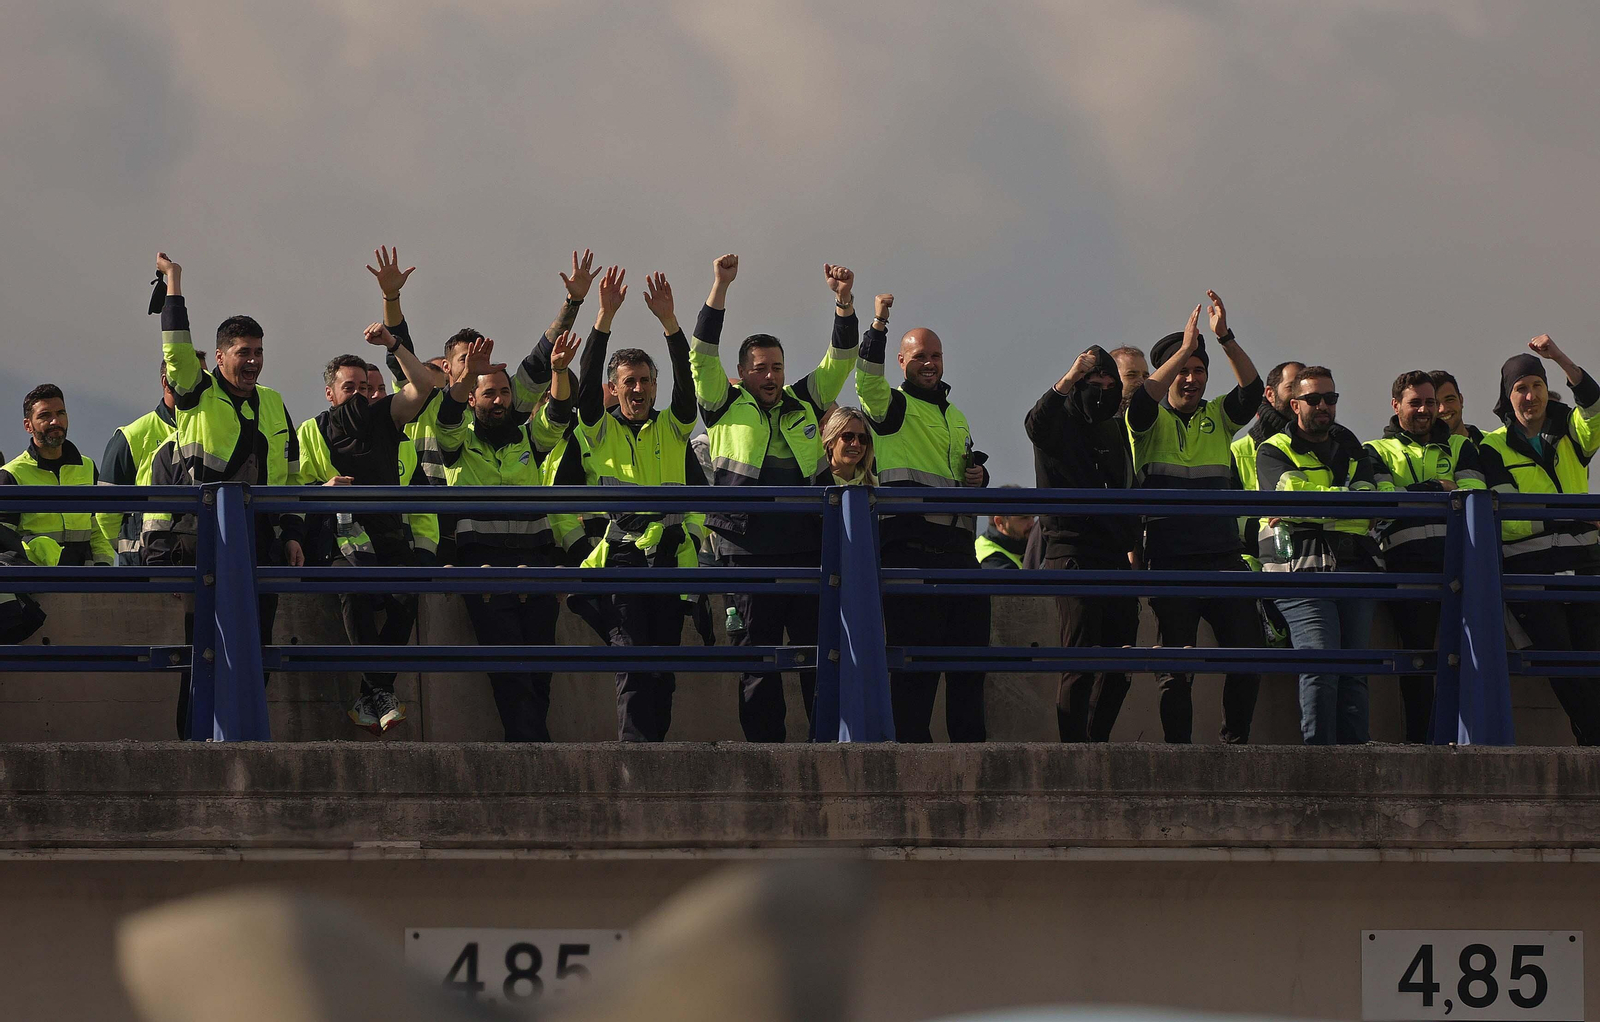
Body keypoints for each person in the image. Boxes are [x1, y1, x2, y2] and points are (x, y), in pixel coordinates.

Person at [687, 254, 860, 742]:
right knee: (758, 662)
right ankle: (767, 756)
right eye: (761, 368)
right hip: (746, 555)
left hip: (807, 552)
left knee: (814, 659)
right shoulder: (722, 405)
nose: (771, 376)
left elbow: (839, 361)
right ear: (742, 372)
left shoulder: (805, 401)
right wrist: (719, 285)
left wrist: (843, 302)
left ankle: (824, 747)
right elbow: (701, 354)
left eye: (777, 367)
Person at [143, 253, 305, 739]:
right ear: (219, 356)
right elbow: (175, 349)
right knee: (205, 654)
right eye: (242, 351)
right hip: (206, 542)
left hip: (260, 541)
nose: (253, 360)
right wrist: (174, 284)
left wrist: (293, 533)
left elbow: (290, 478)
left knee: (257, 647)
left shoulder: (275, 403)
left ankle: (247, 743)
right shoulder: (196, 392)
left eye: (258, 351)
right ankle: (193, 746)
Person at [417, 326, 579, 743]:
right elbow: (447, 418)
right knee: (508, 666)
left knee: (540, 666)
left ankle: (530, 748)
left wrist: (559, 370)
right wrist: (466, 375)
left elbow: (558, 415)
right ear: (473, 398)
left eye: (504, 393)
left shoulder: (528, 438)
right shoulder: (456, 440)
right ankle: (532, 750)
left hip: (537, 563)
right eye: (489, 394)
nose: (499, 401)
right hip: (484, 566)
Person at [569, 266, 699, 743]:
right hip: (620, 562)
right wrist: (603, 315)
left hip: (668, 562)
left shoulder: (674, 426)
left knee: (662, 670)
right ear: (615, 388)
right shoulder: (597, 427)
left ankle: (655, 759)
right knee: (632, 664)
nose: (638, 390)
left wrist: (670, 324)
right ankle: (634, 761)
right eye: (629, 382)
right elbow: (584, 383)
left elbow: (689, 383)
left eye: (645, 381)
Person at [1128, 293, 1264, 744]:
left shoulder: (1218, 417)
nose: (1191, 379)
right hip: (1169, 560)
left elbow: (1251, 390)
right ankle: (1178, 755)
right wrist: (1183, 349)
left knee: (1249, 654)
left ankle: (1234, 744)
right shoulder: (1146, 422)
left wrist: (1223, 338)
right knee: (1176, 667)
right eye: (1183, 370)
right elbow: (1143, 401)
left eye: (1198, 370)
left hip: (1223, 557)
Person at [856, 293, 991, 743]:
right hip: (912, 556)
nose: (929, 364)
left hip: (959, 556)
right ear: (901, 361)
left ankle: (970, 755)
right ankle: (911, 761)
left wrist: (980, 475)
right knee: (914, 672)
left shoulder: (957, 414)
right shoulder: (890, 407)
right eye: (919, 357)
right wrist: (879, 322)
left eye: (935, 356)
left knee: (970, 666)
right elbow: (866, 378)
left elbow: (956, 478)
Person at [297, 324, 443, 734]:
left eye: (364, 386)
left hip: (388, 533)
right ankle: (380, 690)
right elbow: (291, 486)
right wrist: (322, 489)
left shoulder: (384, 417)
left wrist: (393, 345)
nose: (358, 394)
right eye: (349, 387)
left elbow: (423, 385)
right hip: (338, 539)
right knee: (354, 591)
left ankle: (373, 690)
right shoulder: (311, 430)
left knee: (405, 594)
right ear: (330, 393)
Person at [1477, 335, 1600, 744]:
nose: (1530, 396)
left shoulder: (1572, 432)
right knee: (1559, 663)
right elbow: (1513, 521)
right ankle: (1593, 738)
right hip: (1531, 571)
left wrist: (1560, 357)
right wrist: (1577, 516)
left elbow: (1595, 406)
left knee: (1591, 660)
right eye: (1520, 388)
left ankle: (1591, 740)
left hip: (1584, 565)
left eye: (1537, 386)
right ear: (1507, 396)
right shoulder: (1490, 447)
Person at [1257, 366, 1385, 745]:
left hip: (1355, 568)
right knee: (1320, 667)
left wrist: (1317, 505)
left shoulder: (1352, 447)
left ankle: (1354, 758)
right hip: (1302, 572)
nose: (1323, 406)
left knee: (1354, 672)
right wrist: (1341, 504)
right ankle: (1319, 760)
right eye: (1314, 399)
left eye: (1330, 398)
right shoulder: (1273, 449)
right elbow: (1290, 499)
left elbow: (1368, 505)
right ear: (1294, 404)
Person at [1364, 370, 1486, 743]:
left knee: (1468, 660)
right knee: (1418, 661)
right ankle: (1422, 743)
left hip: (1459, 565)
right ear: (1395, 405)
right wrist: (1439, 488)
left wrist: (1416, 495)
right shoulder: (1375, 450)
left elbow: (1475, 493)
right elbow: (1388, 504)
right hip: (1407, 566)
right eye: (1415, 402)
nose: (1424, 410)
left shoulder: (1461, 447)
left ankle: (1469, 741)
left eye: (1430, 402)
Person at [1025, 345, 1139, 742]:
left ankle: (1097, 742)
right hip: (1070, 551)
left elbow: (1127, 489)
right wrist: (1072, 375)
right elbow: (1035, 424)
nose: (1102, 390)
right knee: (1081, 658)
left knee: (1123, 657)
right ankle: (1073, 753)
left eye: (1110, 384)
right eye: (1094, 383)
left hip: (1114, 554)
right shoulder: (1058, 421)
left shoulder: (1113, 427)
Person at [101, 353, 205, 565]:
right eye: (190, 376)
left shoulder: (209, 432)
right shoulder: (132, 436)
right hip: (144, 565)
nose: (199, 385)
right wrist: (134, 548)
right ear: (166, 382)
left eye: (203, 378)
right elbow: (106, 512)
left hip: (196, 560)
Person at [0, 385, 116, 567]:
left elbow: (98, 527)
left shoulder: (86, 466)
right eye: (45, 416)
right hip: (37, 581)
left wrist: (103, 566)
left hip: (86, 577)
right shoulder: (12, 474)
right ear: (28, 425)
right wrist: (44, 555)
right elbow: (5, 540)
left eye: (60, 413)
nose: (55, 421)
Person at [975, 485, 1035, 569]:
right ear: (1000, 522)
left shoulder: (1021, 543)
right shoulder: (992, 559)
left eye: (1033, 517)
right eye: (1024, 518)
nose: (1032, 523)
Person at [820, 406, 876, 485]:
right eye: (848, 436)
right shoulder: (813, 483)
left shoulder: (876, 486)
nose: (856, 444)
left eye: (862, 438)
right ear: (831, 442)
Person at [1428, 370, 1484, 445]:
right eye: (1435, 403)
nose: (1443, 409)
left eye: (1449, 400)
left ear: (1461, 400)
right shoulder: (1421, 453)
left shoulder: (1491, 443)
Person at [1108, 346, 1149, 413]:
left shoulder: (1157, 415)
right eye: (1131, 375)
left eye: (1145, 376)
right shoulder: (1099, 415)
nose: (1142, 382)